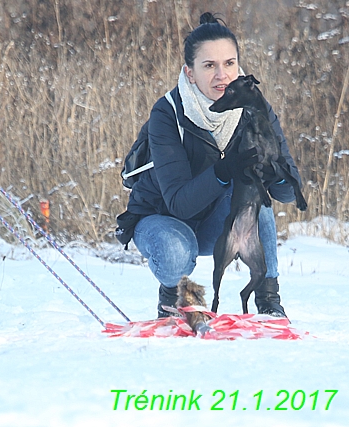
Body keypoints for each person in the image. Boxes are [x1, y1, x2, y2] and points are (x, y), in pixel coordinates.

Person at [122, 12, 302, 318]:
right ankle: (174, 294)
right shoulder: (168, 114)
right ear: (190, 73)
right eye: (209, 65)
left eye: (229, 63)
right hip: (161, 219)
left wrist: (274, 172)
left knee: (258, 196)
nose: (222, 75)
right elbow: (178, 204)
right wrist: (224, 169)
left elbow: (287, 194)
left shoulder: (254, 108)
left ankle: (269, 301)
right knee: (178, 252)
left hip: (213, 224)